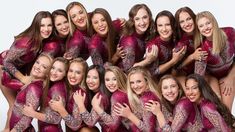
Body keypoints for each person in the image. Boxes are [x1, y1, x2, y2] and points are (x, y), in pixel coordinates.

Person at [0, 11, 53, 131]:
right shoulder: (26, 42)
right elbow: (7, 62)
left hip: (17, 71)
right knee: (13, 105)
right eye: (42, 25)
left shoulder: (41, 41)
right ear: (36, 26)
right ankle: (7, 130)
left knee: (19, 105)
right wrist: (23, 78)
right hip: (4, 70)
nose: (46, 29)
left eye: (49, 25)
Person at [194, 11, 235, 110]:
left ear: (214, 22)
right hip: (212, 78)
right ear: (199, 29)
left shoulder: (230, 32)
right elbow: (198, 77)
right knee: (220, 108)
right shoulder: (203, 48)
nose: (206, 28)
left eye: (208, 23)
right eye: (201, 26)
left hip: (230, 73)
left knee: (226, 109)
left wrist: (231, 77)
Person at [49, 58, 98, 131]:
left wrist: (61, 109)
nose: (72, 75)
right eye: (71, 71)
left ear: (83, 75)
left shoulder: (80, 93)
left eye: (78, 73)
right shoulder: (68, 87)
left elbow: (76, 125)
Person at [135, 10, 185, 81]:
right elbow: (153, 72)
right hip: (154, 81)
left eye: (168, 25)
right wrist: (173, 61)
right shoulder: (153, 46)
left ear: (173, 25)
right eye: (160, 25)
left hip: (171, 77)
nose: (164, 29)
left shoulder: (175, 39)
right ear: (156, 28)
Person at [21, 57, 68, 131]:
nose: (54, 72)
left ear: (65, 74)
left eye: (59, 70)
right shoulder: (51, 85)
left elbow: (56, 119)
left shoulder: (57, 89)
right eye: (53, 68)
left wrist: (33, 113)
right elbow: (48, 111)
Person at [9, 53, 53, 131]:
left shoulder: (34, 87)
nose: (38, 67)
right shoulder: (32, 83)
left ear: (47, 74)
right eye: (37, 62)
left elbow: (27, 118)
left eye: (44, 67)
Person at [114, 66, 161, 132]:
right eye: (132, 83)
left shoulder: (147, 98)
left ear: (146, 81)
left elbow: (148, 130)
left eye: (139, 81)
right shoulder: (144, 95)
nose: (135, 86)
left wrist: (129, 115)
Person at [117, 4, 155, 72]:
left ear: (149, 18)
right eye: (137, 19)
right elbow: (128, 70)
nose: (142, 22)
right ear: (133, 21)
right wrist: (148, 61)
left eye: (145, 17)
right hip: (123, 78)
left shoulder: (147, 33)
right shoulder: (129, 40)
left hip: (139, 73)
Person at [73, 65, 111, 132]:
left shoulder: (101, 97)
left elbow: (90, 123)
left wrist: (80, 104)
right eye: (88, 77)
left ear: (101, 79)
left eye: (95, 78)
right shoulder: (91, 92)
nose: (90, 81)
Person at [92, 66, 129, 131]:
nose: (111, 83)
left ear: (120, 79)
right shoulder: (119, 93)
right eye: (107, 80)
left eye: (115, 79)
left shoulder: (118, 95)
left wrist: (97, 107)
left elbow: (113, 125)